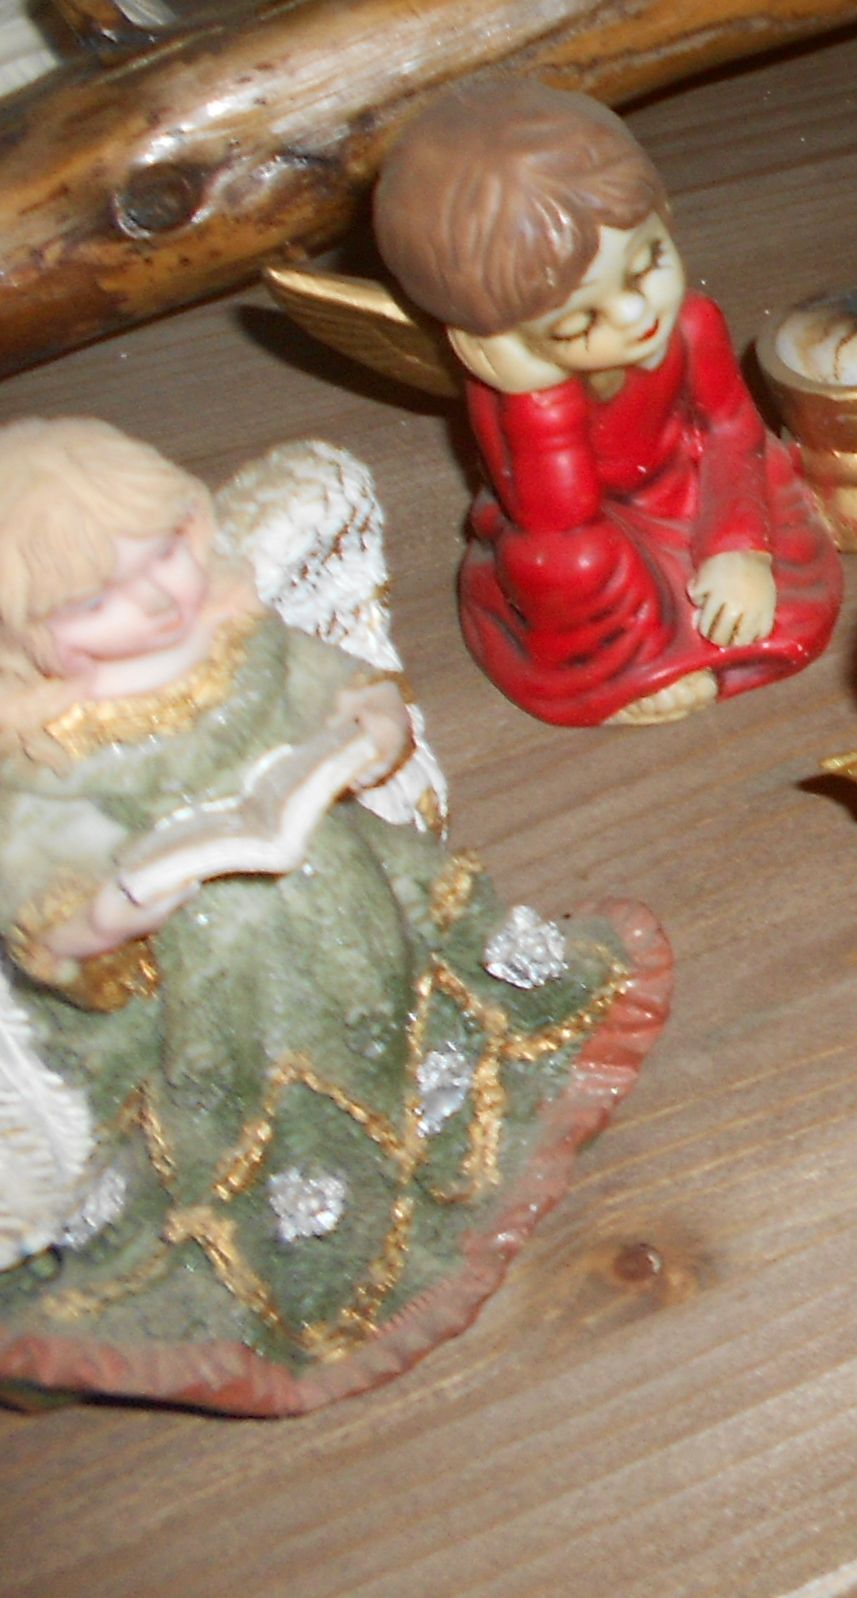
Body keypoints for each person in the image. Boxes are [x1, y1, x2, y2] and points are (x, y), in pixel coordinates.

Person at [0, 417, 665, 1410]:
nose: (160, 600)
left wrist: (372, 722)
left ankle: (437, 1099)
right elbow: (39, 889)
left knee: (396, 987)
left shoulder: (230, 635)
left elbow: (328, 678)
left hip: (350, 886)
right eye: (99, 601)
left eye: (168, 553)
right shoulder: (50, 748)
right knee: (263, 1090)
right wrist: (115, 905)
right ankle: (317, 1232)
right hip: (208, 974)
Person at [374, 78, 839, 726]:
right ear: (494, 342)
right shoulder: (514, 399)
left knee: (775, 472)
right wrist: (538, 396)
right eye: (577, 323)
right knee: (563, 564)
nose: (635, 314)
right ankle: (631, 668)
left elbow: (731, 430)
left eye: (647, 264)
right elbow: (556, 515)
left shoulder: (691, 326)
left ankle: (720, 629)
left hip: (693, 487)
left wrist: (739, 548)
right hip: (597, 532)